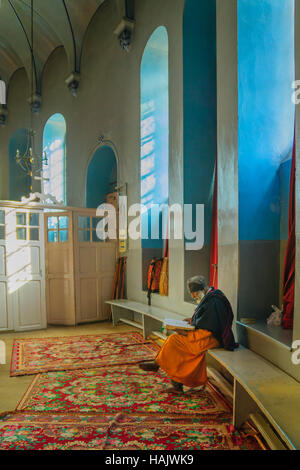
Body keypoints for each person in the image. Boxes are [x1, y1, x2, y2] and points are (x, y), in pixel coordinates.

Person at [139, 275, 237, 393]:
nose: (192, 296)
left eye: (194, 293)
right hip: (205, 335)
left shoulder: (214, 301)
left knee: (174, 342)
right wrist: (193, 320)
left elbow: (210, 330)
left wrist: (185, 332)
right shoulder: (210, 295)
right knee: (174, 342)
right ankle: (166, 373)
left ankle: (166, 372)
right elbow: (206, 320)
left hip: (212, 339)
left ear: (201, 290)